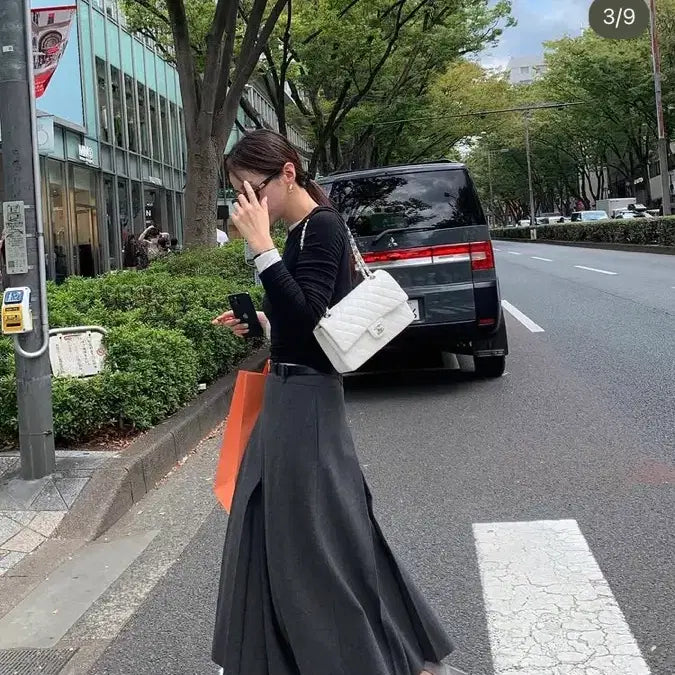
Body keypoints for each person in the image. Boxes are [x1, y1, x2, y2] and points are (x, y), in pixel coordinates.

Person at [211, 129, 454, 675]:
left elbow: (307, 317)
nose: (247, 204)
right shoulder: (299, 231)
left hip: (308, 401)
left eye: (253, 190)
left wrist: (262, 251)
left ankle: (355, 657)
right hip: (290, 394)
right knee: (306, 528)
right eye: (239, 193)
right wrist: (260, 320)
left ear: (287, 173)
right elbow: (303, 322)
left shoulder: (320, 226)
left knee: (310, 537)